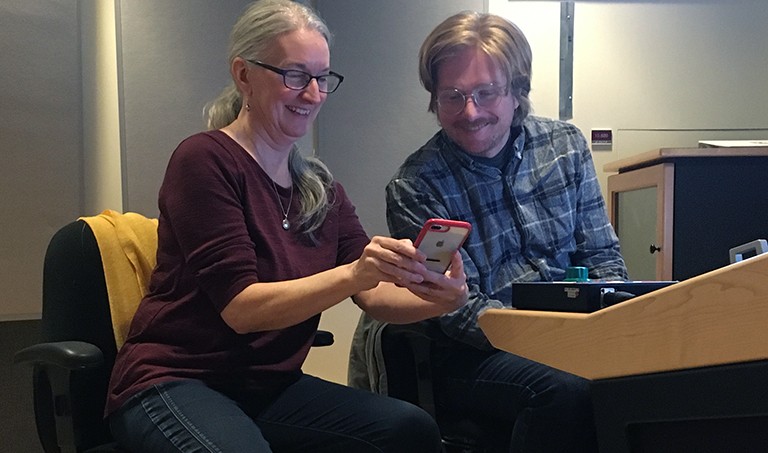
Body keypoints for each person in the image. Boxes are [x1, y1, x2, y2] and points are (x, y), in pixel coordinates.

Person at [105, 1, 469, 452]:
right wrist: (355, 273)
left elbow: (374, 295)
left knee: (408, 430)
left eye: (322, 78)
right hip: (176, 379)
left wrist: (440, 299)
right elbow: (242, 309)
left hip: (268, 387)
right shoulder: (204, 160)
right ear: (244, 75)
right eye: (294, 75)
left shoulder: (321, 188)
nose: (313, 94)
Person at [349, 10, 628, 453]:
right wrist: (550, 343)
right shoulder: (416, 186)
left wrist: (616, 327)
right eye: (453, 96)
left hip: (576, 334)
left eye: (486, 93)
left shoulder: (564, 147)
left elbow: (602, 258)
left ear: (517, 91)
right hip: (473, 354)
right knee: (567, 391)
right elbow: (454, 310)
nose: (470, 112)